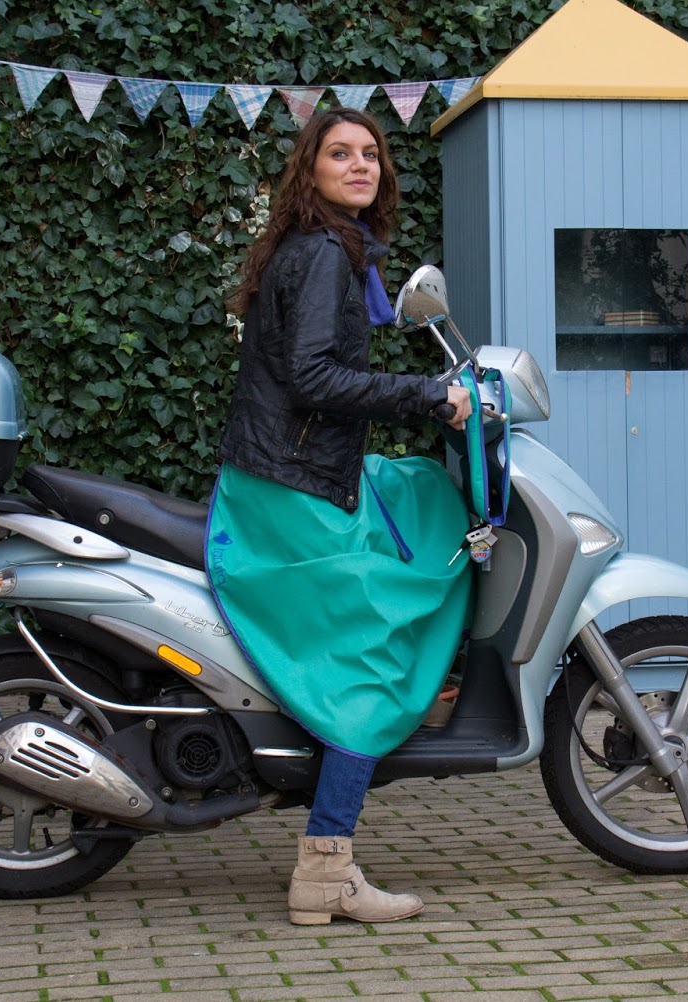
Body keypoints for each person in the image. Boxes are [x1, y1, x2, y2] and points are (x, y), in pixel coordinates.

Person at [208, 108, 474, 926]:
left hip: (280, 471)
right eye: (339, 153)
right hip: (292, 490)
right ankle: (327, 866)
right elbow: (316, 378)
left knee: (425, 495)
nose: (360, 165)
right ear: (311, 169)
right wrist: (430, 396)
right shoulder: (326, 253)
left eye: (371, 154)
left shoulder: (323, 246)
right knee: (374, 660)